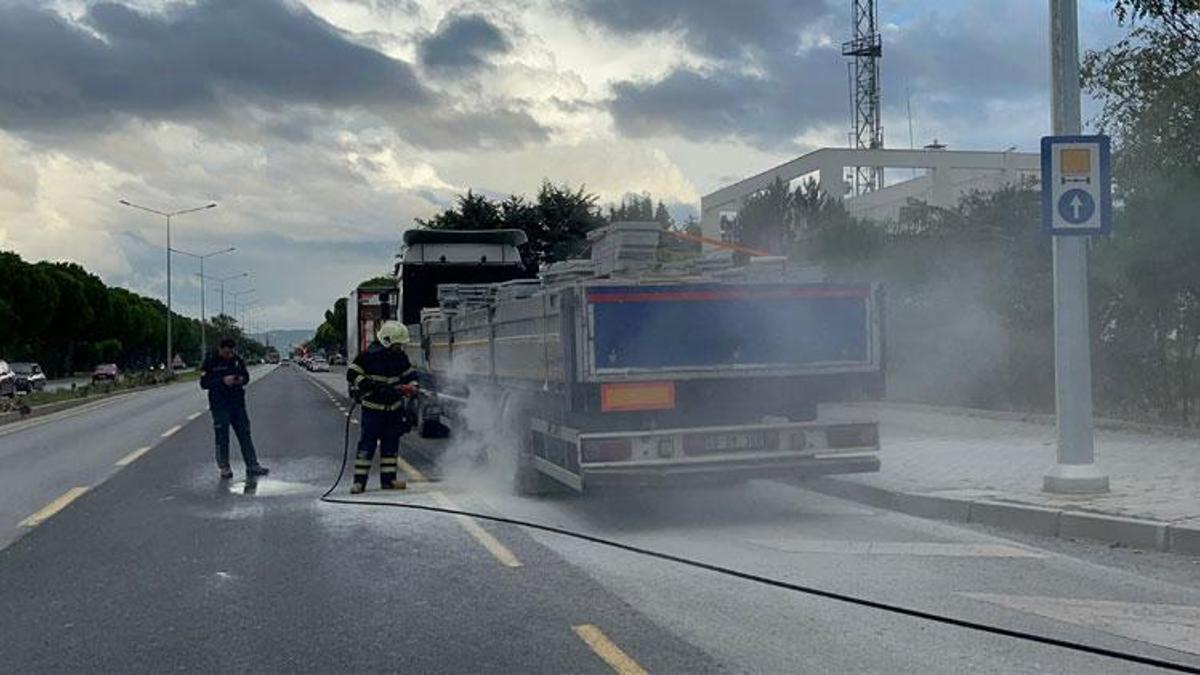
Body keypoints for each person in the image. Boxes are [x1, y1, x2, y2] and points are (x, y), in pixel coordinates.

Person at [346, 321, 419, 493]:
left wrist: (413, 387)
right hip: (373, 409)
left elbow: (410, 375)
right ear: (387, 341)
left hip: (393, 409)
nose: (399, 348)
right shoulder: (368, 356)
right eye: (396, 344)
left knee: (391, 446)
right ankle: (359, 483)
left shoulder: (400, 357)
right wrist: (367, 385)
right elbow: (352, 373)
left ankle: (389, 481)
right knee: (367, 446)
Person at [201, 337, 269, 480]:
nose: (229, 355)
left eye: (231, 352)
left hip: (237, 403)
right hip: (219, 405)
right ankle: (224, 467)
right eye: (226, 352)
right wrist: (222, 381)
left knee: (245, 433)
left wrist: (239, 380)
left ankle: (252, 465)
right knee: (222, 437)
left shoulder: (237, 360)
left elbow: (246, 377)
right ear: (220, 349)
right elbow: (204, 383)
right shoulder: (211, 362)